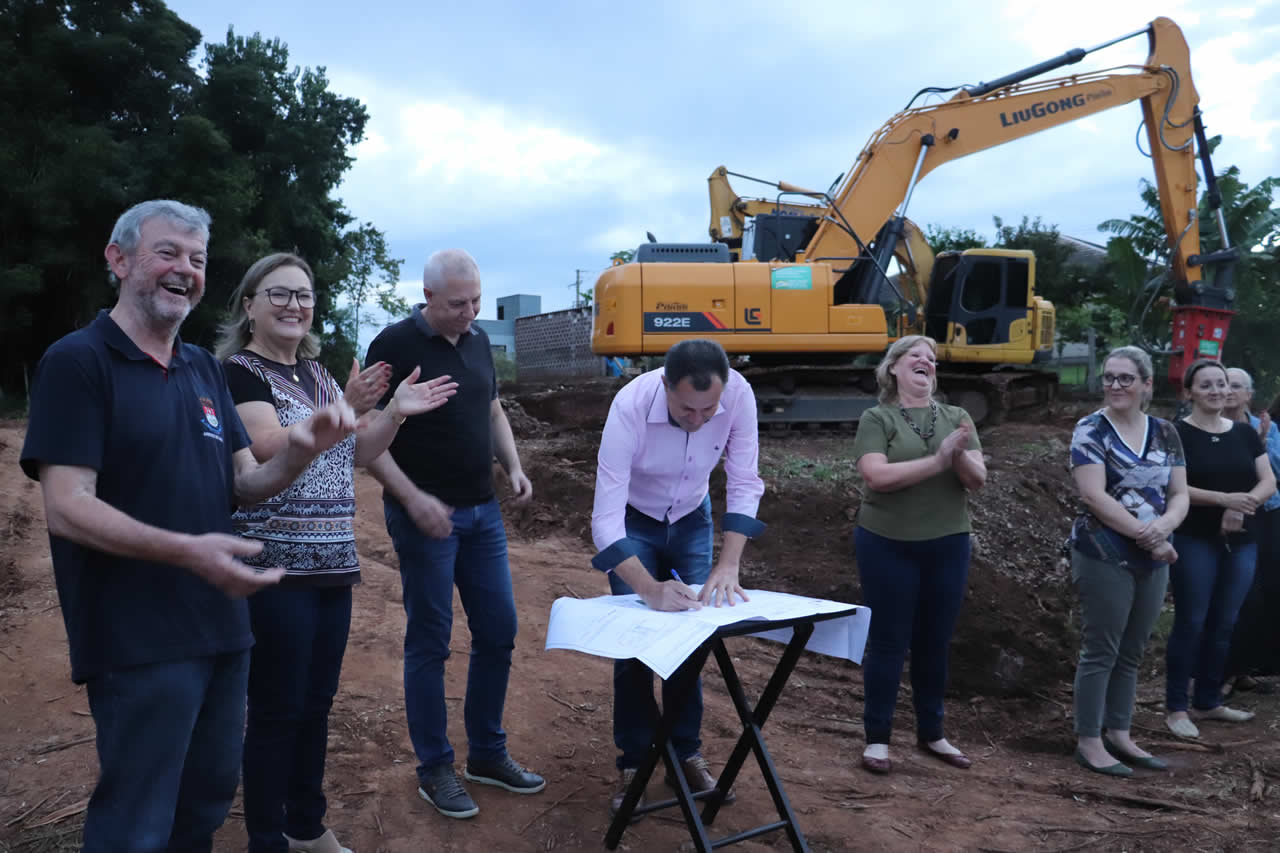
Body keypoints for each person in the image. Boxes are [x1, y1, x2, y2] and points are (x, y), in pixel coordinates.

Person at [19, 200, 357, 851]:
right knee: (137, 819)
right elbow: (66, 503)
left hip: (224, 631)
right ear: (118, 260)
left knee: (201, 807)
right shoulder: (78, 362)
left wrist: (302, 447)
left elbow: (244, 481)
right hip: (138, 638)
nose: (186, 269)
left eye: (197, 259)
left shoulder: (202, 367)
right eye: (168, 252)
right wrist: (187, 552)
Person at [216, 252, 458, 853]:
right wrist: (349, 409)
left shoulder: (321, 376)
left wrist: (394, 411)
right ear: (249, 306)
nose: (295, 305)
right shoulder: (240, 373)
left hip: (332, 563)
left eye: (303, 294)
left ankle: (306, 826)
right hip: (276, 565)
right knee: (276, 710)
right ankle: (267, 838)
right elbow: (273, 444)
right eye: (278, 294)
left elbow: (354, 451)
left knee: (316, 705)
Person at [364, 248, 543, 820]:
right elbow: (367, 437)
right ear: (428, 297)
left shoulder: (479, 342)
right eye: (458, 304)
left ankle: (487, 754)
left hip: (482, 513)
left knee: (499, 631)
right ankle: (435, 767)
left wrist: (512, 465)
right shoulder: (393, 346)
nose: (470, 313)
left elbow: (491, 408)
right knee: (430, 641)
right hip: (425, 519)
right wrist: (411, 498)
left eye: (477, 302)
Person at [590, 338, 766, 819]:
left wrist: (728, 563)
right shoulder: (629, 405)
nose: (699, 418)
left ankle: (685, 753)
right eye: (687, 408)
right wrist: (648, 590)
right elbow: (604, 521)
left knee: (691, 639)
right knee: (637, 643)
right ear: (665, 385)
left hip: (692, 515)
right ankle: (635, 761)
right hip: (634, 520)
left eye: (710, 409)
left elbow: (744, 479)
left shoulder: (740, 395)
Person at [851, 334, 986, 775]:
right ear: (894, 367)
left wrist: (958, 456)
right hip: (886, 544)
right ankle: (877, 739)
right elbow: (877, 476)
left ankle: (933, 733)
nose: (926, 362)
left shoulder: (957, 417)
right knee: (889, 641)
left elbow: (977, 480)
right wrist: (938, 460)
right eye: (916, 356)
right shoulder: (878, 417)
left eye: (932, 359)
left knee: (934, 643)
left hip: (947, 543)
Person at [1067, 346, 1188, 776]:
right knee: (1102, 648)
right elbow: (1093, 495)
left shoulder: (1165, 432)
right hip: (1105, 551)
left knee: (1133, 650)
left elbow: (1179, 493)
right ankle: (1089, 740)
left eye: (1125, 378)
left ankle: (1119, 731)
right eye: (1109, 377)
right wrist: (1147, 537)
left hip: (1156, 553)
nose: (1115, 386)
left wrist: (1165, 527)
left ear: (1146, 384)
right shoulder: (1091, 430)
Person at [1165, 359, 1276, 738]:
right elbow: (1175, 488)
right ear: (1190, 392)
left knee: (1225, 621)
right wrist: (1225, 500)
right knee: (1191, 621)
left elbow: (1268, 482)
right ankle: (1177, 707)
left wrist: (1242, 503)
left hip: (1242, 541)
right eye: (1207, 384)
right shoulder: (1176, 433)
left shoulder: (1245, 433)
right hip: (1194, 539)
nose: (1217, 391)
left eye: (1222, 384)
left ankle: (1208, 700)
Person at [1220, 367, 1280, 695]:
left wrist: (1261, 443)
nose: (1229, 390)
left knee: (1266, 590)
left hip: (1267, 515)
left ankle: (1249, 666)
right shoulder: (1212, 427)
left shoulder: (1265, 427)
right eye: (1224, 384)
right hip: (1227, 518)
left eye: (1237, 386)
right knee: (1238, 591)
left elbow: (1276, 470)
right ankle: (1225, 671)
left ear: (1249, 394)